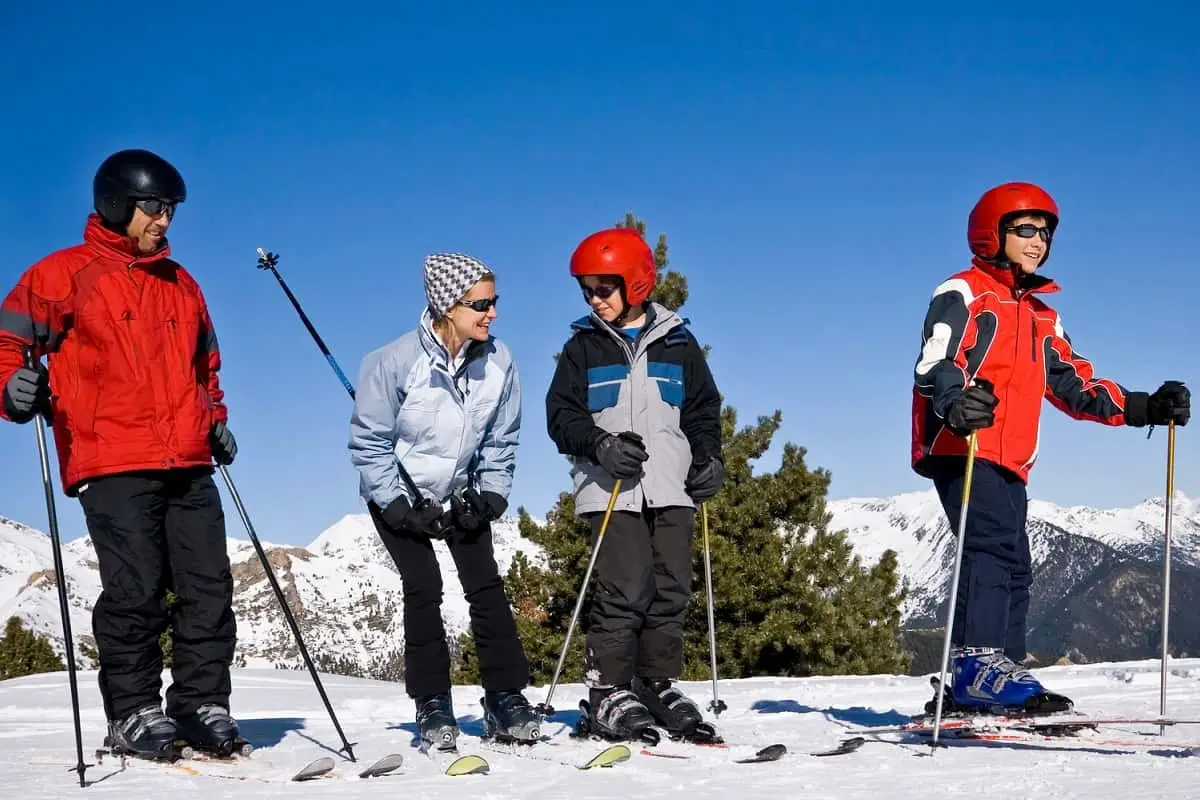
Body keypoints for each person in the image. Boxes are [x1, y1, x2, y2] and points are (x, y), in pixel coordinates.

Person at [911, 181, 1190, 714]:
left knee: (1015, 561)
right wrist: (954, 402)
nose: (1038, 241)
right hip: (962, 441)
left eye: (1045, 232)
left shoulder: (1041, 315)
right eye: (1025, 230)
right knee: (989, 546)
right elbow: (937, 361)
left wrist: (1145, 408)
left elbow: (1075, 386)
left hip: (1013, 455)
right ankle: (978, 668)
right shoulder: (963, 292)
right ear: (992, 234)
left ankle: (998, 669)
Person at [0, 149, 241, 758]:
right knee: (135, 590)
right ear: (116, 203)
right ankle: (133, 712)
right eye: (155, 206)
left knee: (208, 586)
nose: (165, 219)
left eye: (171, 209)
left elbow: (205, 368)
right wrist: (10, 387)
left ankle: (201, 704)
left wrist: (214, 420)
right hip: (111, 458)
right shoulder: (59, 275)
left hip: (187, 457)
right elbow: (8, 343)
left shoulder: (182, 283)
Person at [348, 252, 539, 750]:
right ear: (447, 305)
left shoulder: (499, 361)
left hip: (460, 493)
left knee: (485, 584)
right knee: (423, 584)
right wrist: (398, 505)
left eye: (494, 301)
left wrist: (491, 495)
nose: (491, 312)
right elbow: (370, 443)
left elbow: (502, 438)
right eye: (480, 303)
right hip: (398, 495)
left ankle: (505, 697)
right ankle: (432, 703)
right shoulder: (391, 362)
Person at [545, 227, 725, 741]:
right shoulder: (582, 348)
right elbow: (561, 415)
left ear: (636, 283)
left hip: (672, 486)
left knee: (670, 588)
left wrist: (709, 457)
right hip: (611, 490)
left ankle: (655, 683)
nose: (594, 299)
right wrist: (599, 445)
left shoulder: (680, 343)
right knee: (625, 588)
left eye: (604, 288)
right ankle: (608, 690)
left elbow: (702, 410)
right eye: (587, 290)